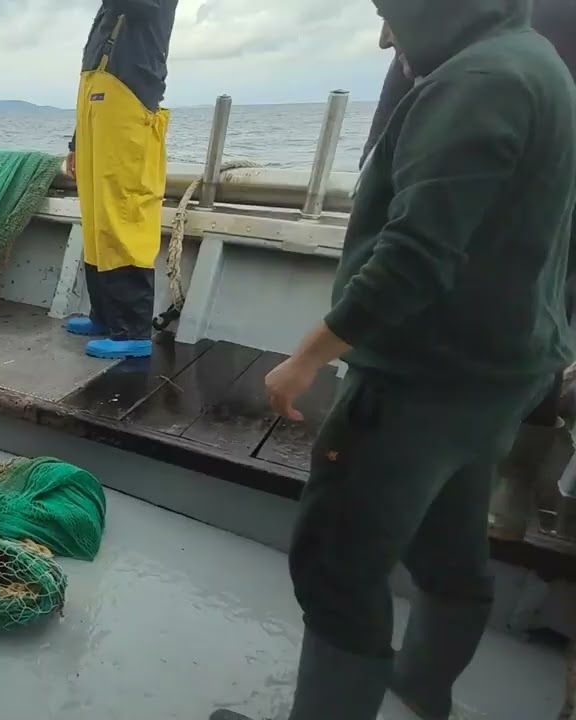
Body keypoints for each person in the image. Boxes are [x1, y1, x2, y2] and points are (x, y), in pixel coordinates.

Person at [216, 1, 576, 719]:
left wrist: (307, 356)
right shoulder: (537, 61)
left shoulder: (475, 82)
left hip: (419, 383)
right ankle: (419, 693)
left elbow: (414, 256)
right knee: (450, 549)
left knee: (337, 568)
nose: (385, 35)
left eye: (391, 11)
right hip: (497, 379)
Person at [63, 0, 179, 359]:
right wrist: (77, 142)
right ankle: (106, 316)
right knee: (97, 216)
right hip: (97, 104)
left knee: (124, 213)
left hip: (130, 105)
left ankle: (132, 329)